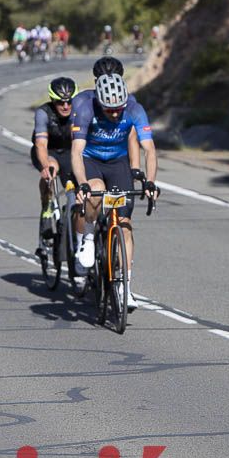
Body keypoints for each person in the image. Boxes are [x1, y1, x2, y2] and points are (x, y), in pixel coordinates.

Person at [70, 73, 159, 311]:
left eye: (118, 109)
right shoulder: (85, 108)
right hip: (91, 160)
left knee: (125, 223)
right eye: (109, 110)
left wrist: (150, 182)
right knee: (96, 191)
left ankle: (126, 287)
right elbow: (77, 151)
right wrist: (82, 184)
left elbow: (149, 149)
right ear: (99, 102)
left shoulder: (134, 109)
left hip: (118, 163)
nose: (115, 114)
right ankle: (88, 236)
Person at [31, 77, 79, 257]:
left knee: (77, 183)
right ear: (52, 100)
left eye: (69, 101)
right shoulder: (43, 113)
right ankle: (47, 208)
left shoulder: (77, 113)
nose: (66, 106)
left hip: (69, 152)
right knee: (50, 169)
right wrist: (45, 167)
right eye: (61, 102)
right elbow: (41, 145)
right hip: (47, 151)